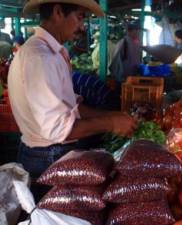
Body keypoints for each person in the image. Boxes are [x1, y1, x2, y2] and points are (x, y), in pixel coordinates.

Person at [8, 0, 137, 199]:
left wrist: (111, 115)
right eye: (80, 17)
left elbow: (71, 107)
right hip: (46, 157)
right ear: (58, 12)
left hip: (47, 153)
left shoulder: (52, 53)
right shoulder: (40, 57)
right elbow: (58, 129)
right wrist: (110, 123)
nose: (82, 26)